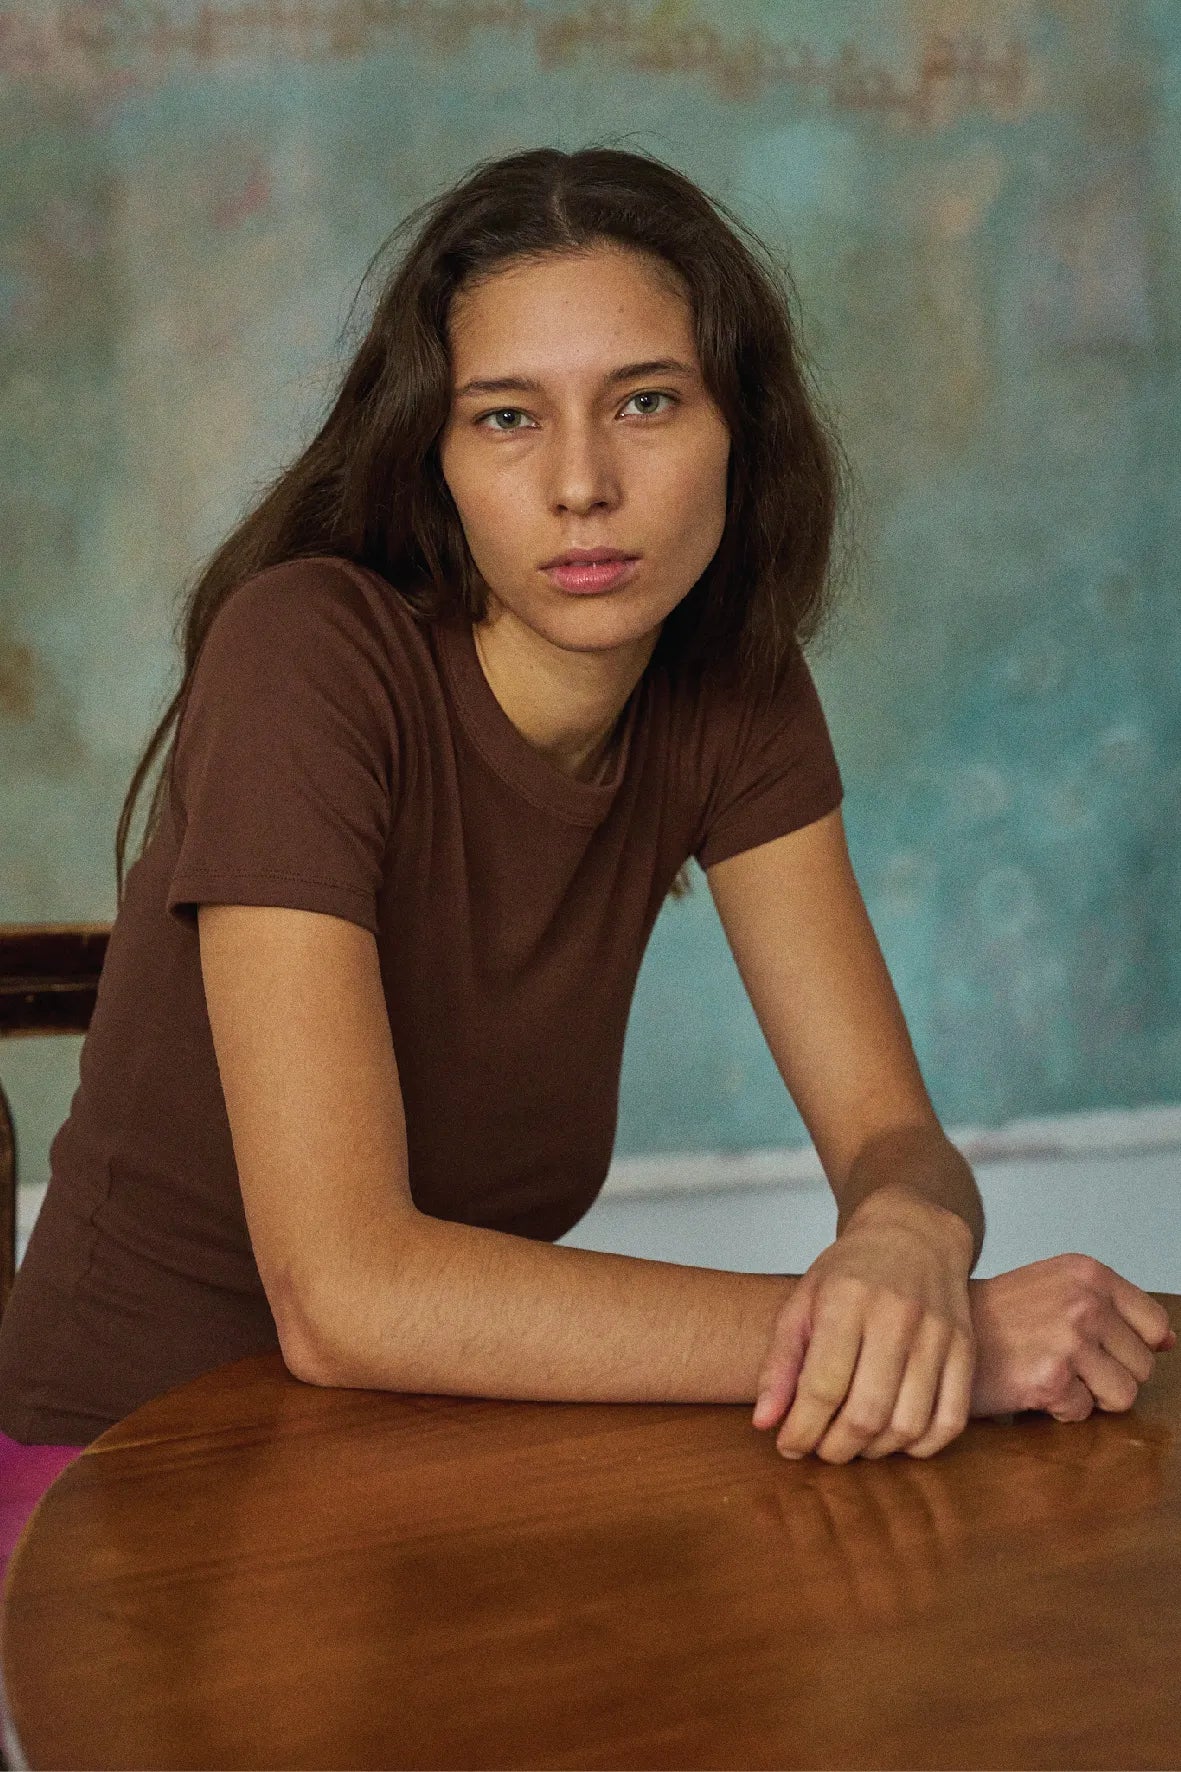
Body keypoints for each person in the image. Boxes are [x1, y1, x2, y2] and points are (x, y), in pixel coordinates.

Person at [0, 147, 1172, 1535]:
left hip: (436, 1468)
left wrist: (906, 1239)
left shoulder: (733, 693)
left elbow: (889, 1137)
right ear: (432, 459)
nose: (581, 484)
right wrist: (942, 1348)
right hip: (126, 1489)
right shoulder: (308, 657)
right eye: (505, 418)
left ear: (741, 430)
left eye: (647, 403)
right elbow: (348, 1295)